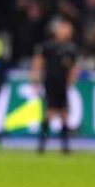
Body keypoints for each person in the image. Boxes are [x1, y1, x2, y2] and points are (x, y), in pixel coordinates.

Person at [31, 19, 79, 154]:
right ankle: (42, 144)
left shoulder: (71, 48)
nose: (67, 32)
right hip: (50, 83)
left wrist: (71, 82)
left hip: (62, 84)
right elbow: (38, 62)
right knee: (50, 113)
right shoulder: (48, 46)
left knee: (64, 114)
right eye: (64, 29)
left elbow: (74, 67)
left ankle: (64, 146)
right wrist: (35, 79)